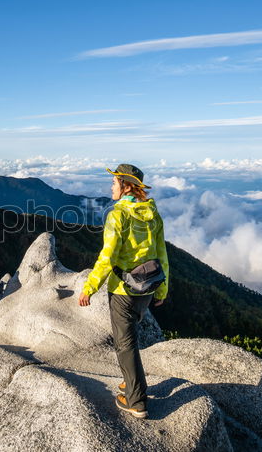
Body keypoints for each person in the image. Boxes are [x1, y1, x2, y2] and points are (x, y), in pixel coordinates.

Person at [78, 163, 169, 419]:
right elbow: (162, 254)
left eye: (115, 183)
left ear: (126, 186)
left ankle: (136, 400)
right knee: (131, 339)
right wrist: (162, 289)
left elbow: (107, 256)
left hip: (124, 290)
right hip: (148, 287)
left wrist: (90, 287)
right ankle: (132, 383)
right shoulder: (152, 213)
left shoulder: (118, 215)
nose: (111, 187)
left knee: (124, 345)